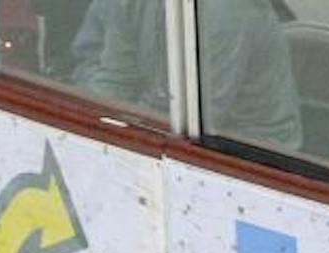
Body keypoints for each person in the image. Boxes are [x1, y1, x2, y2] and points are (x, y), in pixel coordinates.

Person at [72, 0, 303, 152]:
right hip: (169, 125)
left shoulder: (226, 11)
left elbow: (200, 118)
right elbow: (114, 81)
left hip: (252, 154)